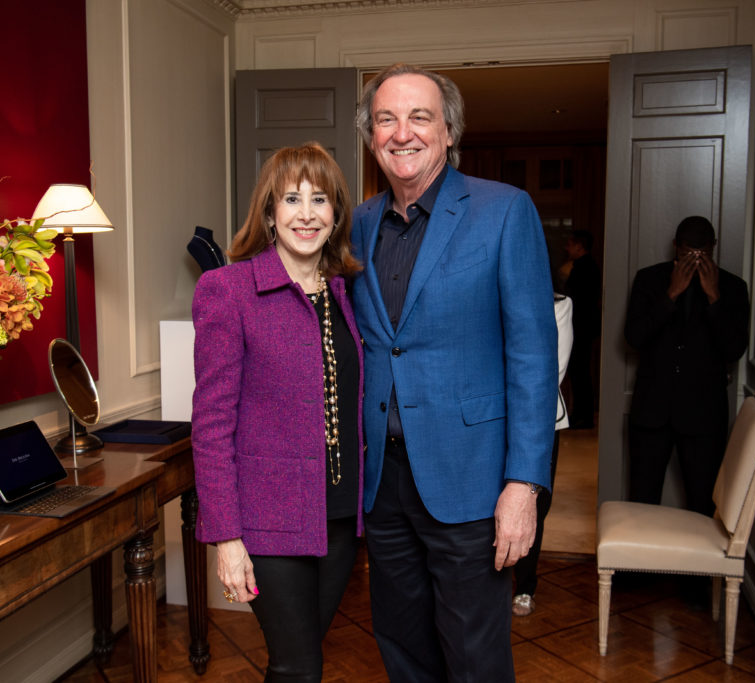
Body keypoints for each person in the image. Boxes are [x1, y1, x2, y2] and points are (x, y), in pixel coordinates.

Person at [351, 63, 557, 682]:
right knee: (402, 647)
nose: (402, 132)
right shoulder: (357, 224)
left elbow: (533, 359)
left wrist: (524, 485)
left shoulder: (503, 211)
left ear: (448, 132)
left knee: (474, 656)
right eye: (386, 118)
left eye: (420, 117)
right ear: (371, 136)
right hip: (383, 484)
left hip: (470, 482)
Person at [190, 142, 364, 682]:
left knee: (300, 660)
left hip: (338, 518)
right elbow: (212, 426)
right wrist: (227, 538)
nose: (306, 214)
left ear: (336, 216)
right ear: (269, 212)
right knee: (298, 667)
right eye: (291, 199)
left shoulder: (345, 291)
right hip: (267, 521)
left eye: (320, 200)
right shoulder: (228, 290)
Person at [625, 215, 749, 516]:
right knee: (641, 504)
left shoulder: (733, 287)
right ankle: (636, 565)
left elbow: (733, 349)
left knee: (703, 505)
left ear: (713, 248)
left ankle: (694, 566)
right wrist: (671, 295)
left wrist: (714, 297)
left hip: (704, 418)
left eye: (702, 255)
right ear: (675, 247)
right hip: (651, 414)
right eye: (686, 254)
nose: (694, 261)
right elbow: (634, 337)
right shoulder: (649, 279)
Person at [512, 293, 573, 617]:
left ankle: (524, 585)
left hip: (540, 420)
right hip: (487, 422)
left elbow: (553, 370)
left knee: (534, 503)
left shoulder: (559, 305)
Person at [563, 229, 602, 429]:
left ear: (580, 246)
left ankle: (582, 416)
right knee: (580, 372)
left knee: (580, 373)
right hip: (583, 327)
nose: (566, 248)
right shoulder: (585, 266)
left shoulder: (583, 268)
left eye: (570, 244)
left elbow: (575, 299)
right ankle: (581, 415)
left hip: (581, 327)